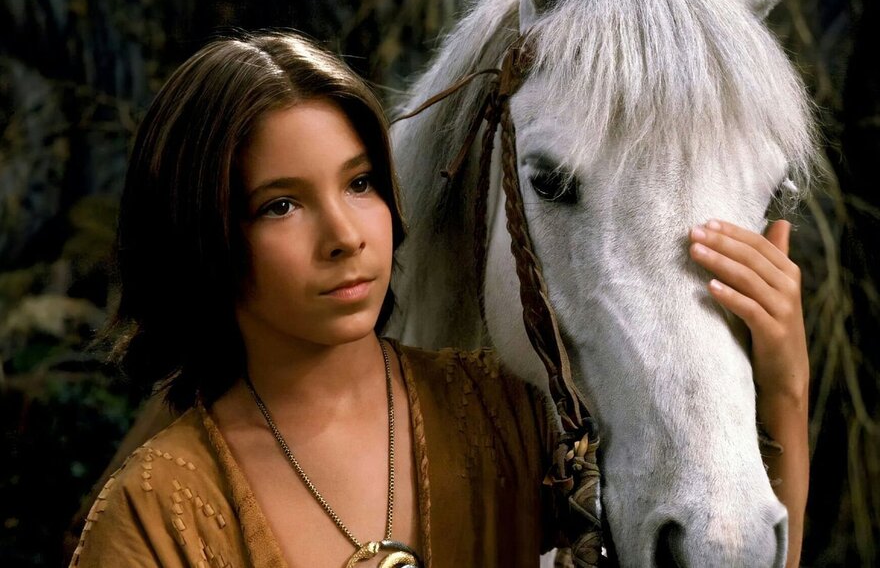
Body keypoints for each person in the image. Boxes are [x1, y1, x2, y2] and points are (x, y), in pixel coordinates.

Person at [68, 32, 809, 567]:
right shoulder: (153, 516)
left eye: (359, 184)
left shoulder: (510, 419)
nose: (345, 235)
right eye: (280, 205)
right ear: (201, 236)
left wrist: (784, 387)